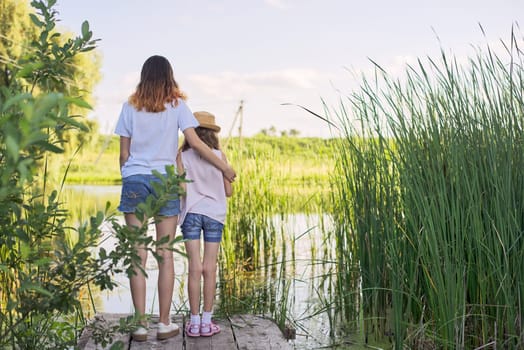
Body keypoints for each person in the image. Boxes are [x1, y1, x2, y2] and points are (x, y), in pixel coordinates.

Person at [115, 55, 236, 342]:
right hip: (166, 181)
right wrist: (225, 167)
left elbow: (123, 154)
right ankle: (165, 324)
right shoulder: (178, 105)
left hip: (135, 179)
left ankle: (141, 324)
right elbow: (195, 143)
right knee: (165, 254)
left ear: (143, 76)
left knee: (137, 253)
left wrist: (131, 177)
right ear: (170, 77)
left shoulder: (129, 106)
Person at [176, 111, 232, 337]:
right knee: (210, 268)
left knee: (194, 268)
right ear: (213, 134)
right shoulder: (220, 156)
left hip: (191, 212)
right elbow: (228, 191)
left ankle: (194, 322)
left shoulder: (181, 156)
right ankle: (208, 323)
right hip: (214, 215)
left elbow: (181, 189)